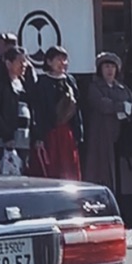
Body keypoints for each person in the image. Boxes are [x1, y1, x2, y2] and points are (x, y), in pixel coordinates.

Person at [85, 51, 132, 228]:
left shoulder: (123, 88)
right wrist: (119, 107)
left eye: (112, 67)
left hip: (123, 140)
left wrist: (128, 109)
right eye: (106, 67)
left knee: (126, 180)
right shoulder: (95, 87)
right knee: (105, 176)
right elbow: (101, 104)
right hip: (103, 139)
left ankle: (131, 216)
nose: (109, 70)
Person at [29, 47, 82, 180]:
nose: (62, 63)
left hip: (67, 132)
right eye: (58, 59)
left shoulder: (70, 81)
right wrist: (39, 136)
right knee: (52, 169)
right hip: (50, 132)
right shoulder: (42, 83)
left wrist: (78, 132)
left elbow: (77, 109)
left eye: (64, 59)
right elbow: (38, 110)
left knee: (70, 168)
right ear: (49, 61)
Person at [0, 47, 35, 175]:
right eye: (20, 61)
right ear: (8, 63)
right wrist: (6, 136)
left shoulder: (24, 82)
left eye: (25, 61)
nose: (24, 65)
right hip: (3, 140)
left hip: (23, 138)